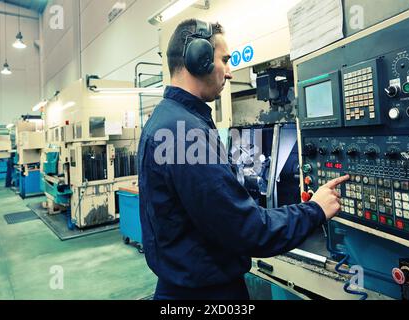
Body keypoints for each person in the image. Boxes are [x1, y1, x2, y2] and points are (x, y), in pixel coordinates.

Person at [138, 19, 349, 300]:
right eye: (224, 60)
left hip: (184, 284)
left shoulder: (168, 119)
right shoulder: (184, 132)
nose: (229, 72)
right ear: (198, 59)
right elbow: (247, 230)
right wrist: (315, 210)